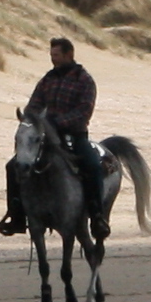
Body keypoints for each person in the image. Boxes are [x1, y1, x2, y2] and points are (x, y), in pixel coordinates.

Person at [27, 36, 103, 192]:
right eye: (51, 56)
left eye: (56, 55)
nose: (53, 60)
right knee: (14, 166)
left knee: (93, 165)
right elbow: (34, 104)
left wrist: (58, 122)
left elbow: (84, 111)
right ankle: (16, 213)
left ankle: (97, 212)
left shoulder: (84, 80)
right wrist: (30, 118)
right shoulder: (48, 79)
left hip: (75, 136)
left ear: (69, 55)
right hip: (45, 136)